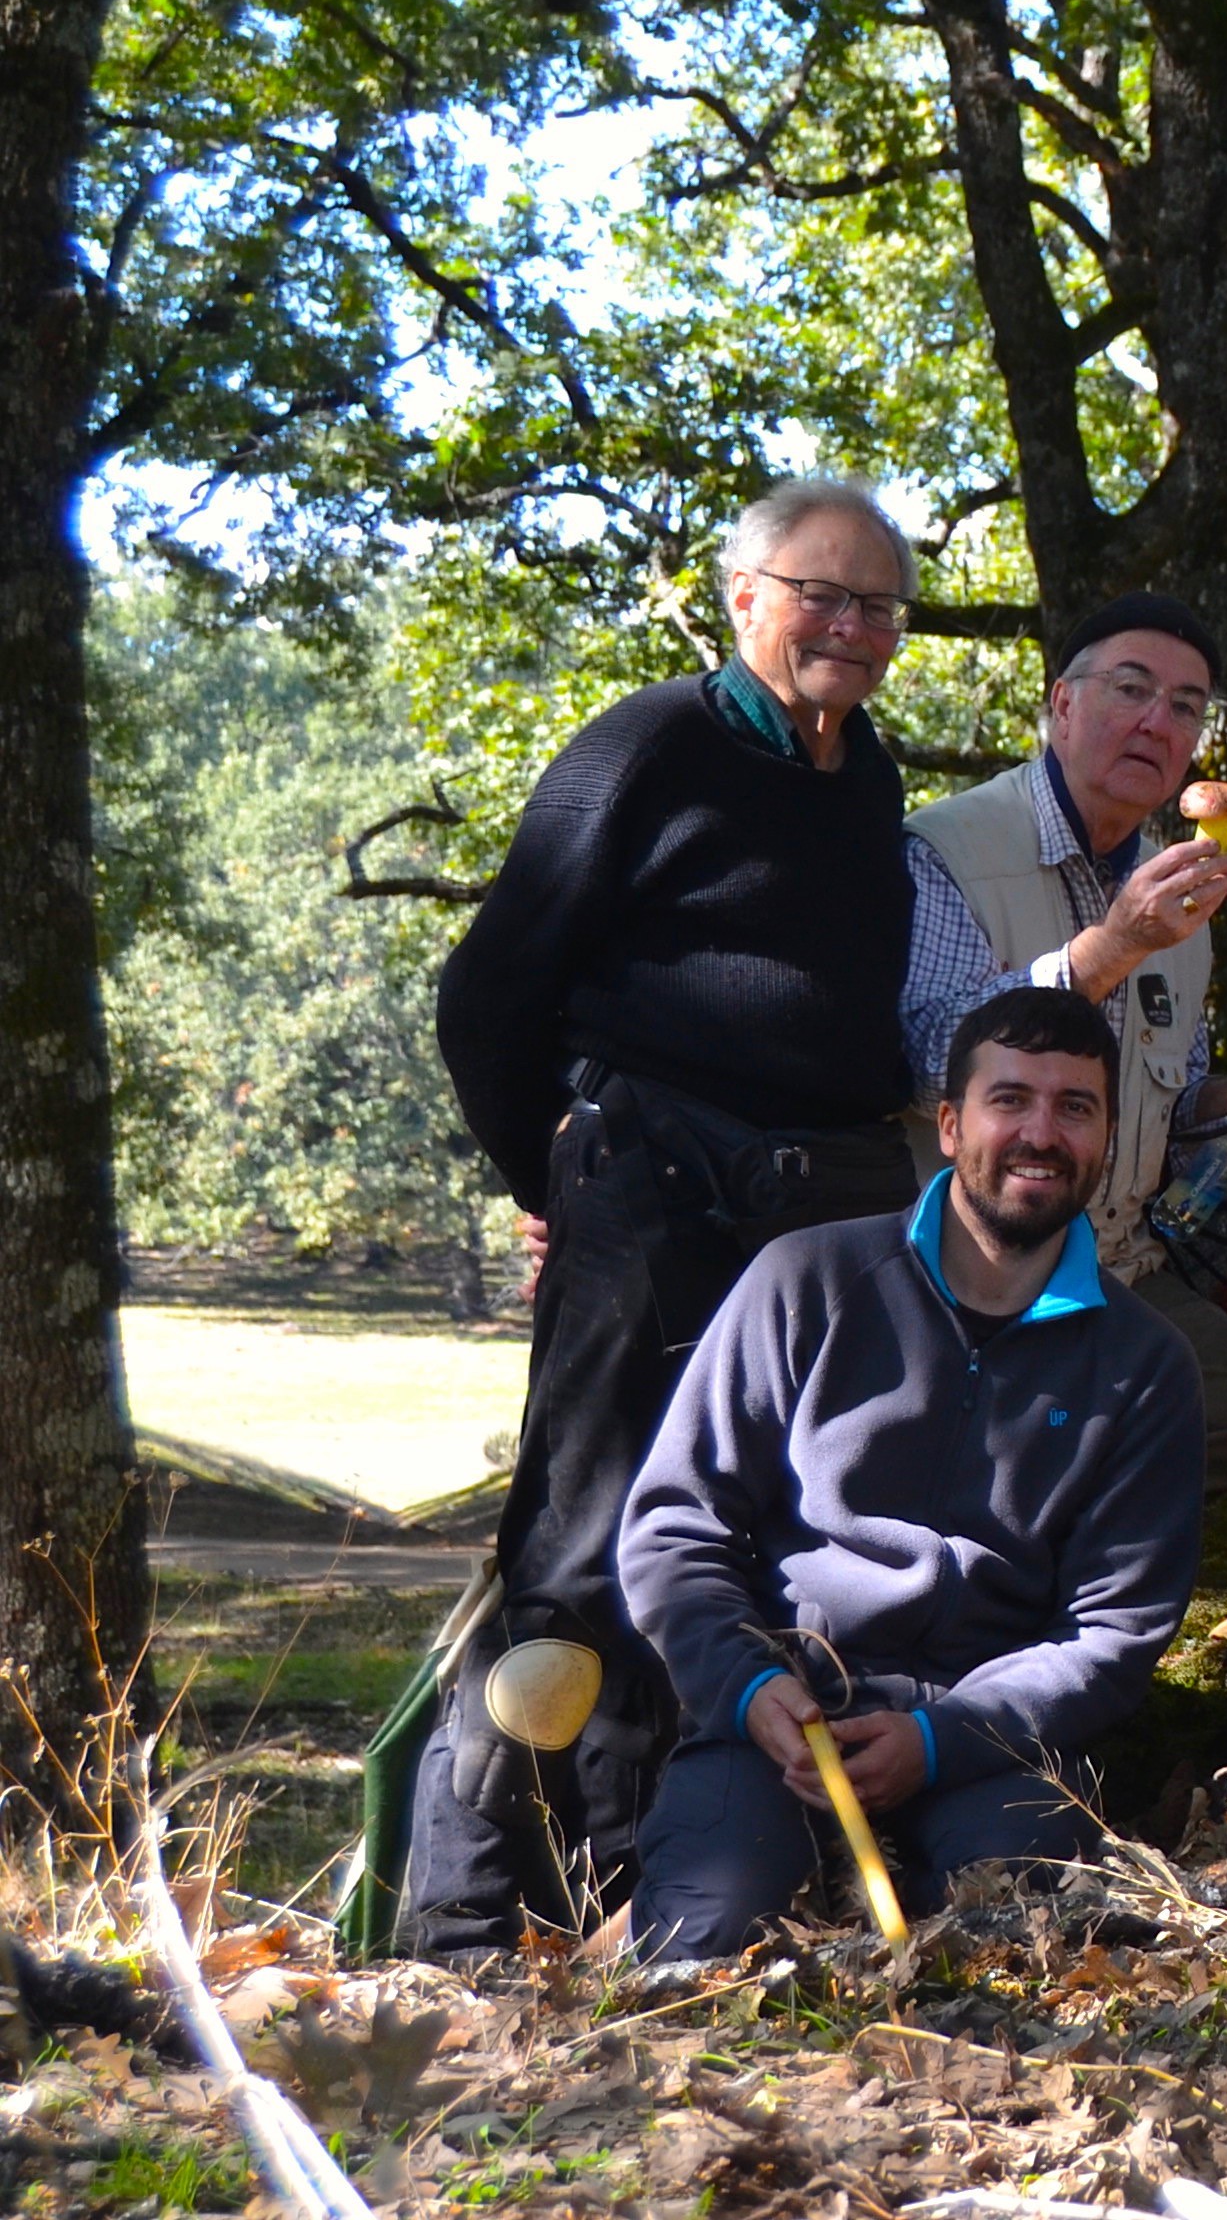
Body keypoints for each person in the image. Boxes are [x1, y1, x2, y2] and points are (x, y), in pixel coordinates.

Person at [412, 477, 930, 1953]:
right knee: (577, 1558)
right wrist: (556, 1182)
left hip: (811, 1217)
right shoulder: (646, 748)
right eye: (819, 593)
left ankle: (639, 1893)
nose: (849, 624)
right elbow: (487, 994)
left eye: (877, 604)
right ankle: (465, 1916)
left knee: (726, 1550)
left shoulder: (866, 777)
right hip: (647, 1192)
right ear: (743, 596)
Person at [615, 985, 1205, 1957]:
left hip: (995, 1750)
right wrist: (747, 1686)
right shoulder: (804, 1282)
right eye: (1010, 1099)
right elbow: (675, 1523)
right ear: (949, 1123)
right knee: (706, 1947)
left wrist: (940, 1739)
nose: (1041, 1133)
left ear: (1106, 1136)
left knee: (1011, 1959)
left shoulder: (1144, 1367)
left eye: (1075, 1107)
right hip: (782, 1719)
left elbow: (1114, 1633)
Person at [900, 595, 1227, 1488]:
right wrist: (1111, 946)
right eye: (1131, 689)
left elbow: (1175, 1087)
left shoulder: (1184, 898)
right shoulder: (951, 848)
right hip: (978, 1277)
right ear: (1063, 703)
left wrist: (1225, 1106)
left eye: (1186, 706)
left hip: (1126, 1270)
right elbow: (928, 1056)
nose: (1158, 722)